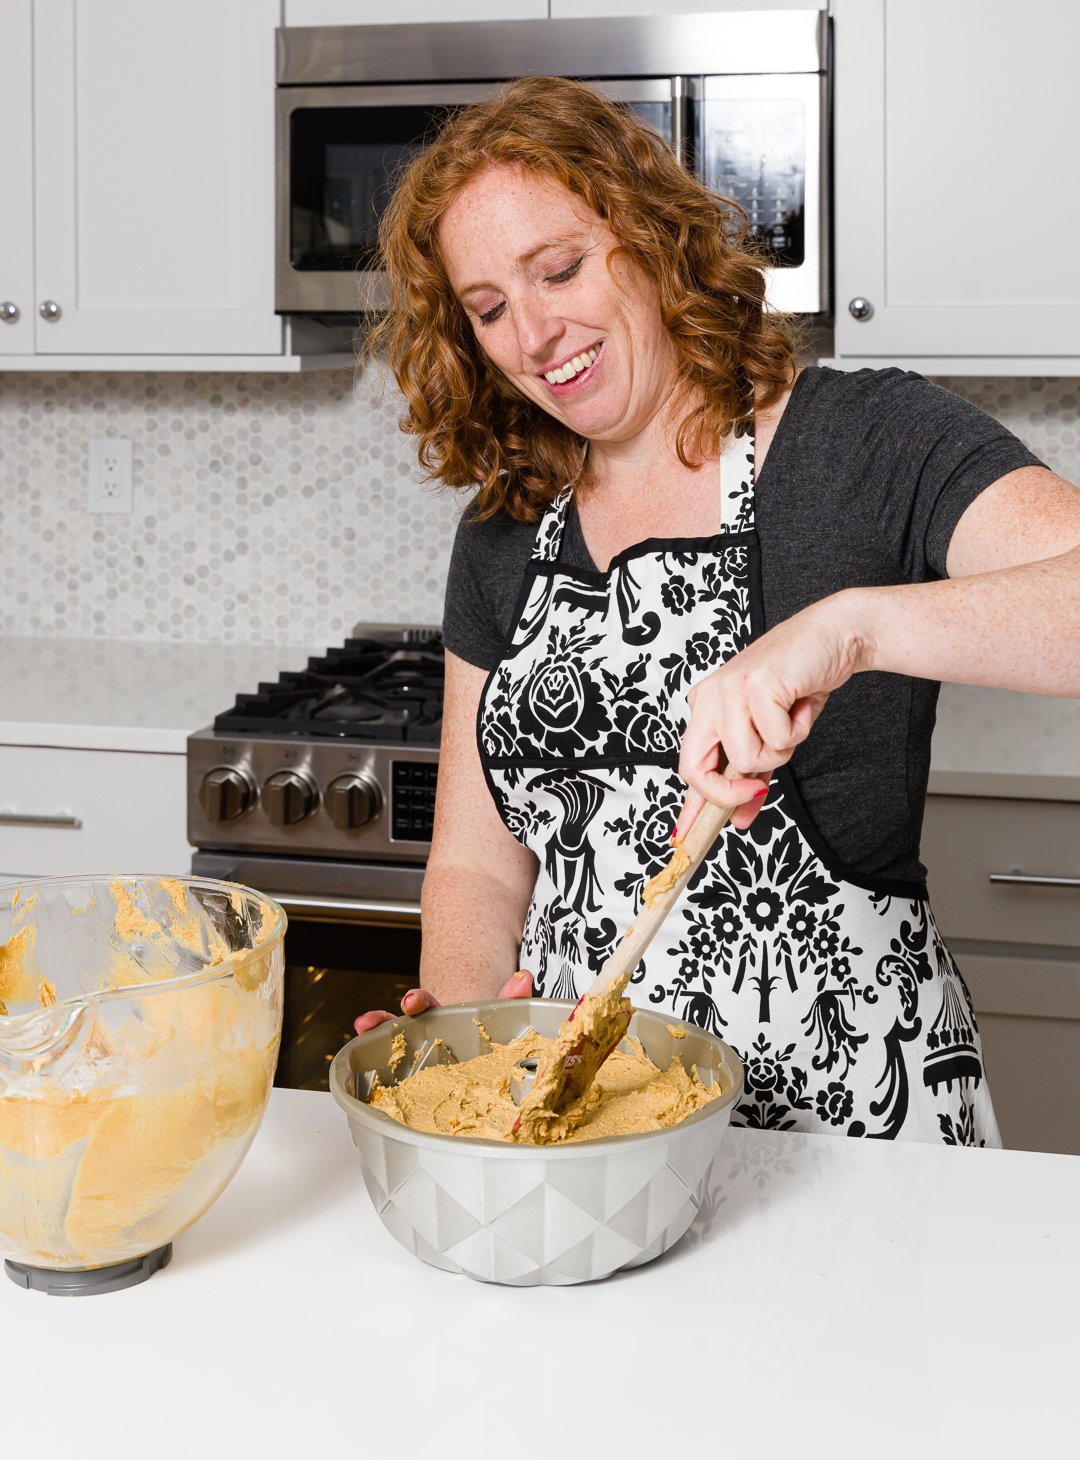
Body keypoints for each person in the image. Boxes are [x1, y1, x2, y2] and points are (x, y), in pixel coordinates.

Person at [354, 76, 1080, 1146]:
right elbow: (476, 862)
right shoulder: (506, 528)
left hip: (846, 1128)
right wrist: (471, 1039)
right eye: (491, 308)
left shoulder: (863, 442)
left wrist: (851, 628)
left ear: (649, 239)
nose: (537, 333)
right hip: (580, 1129)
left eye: (559, 269)